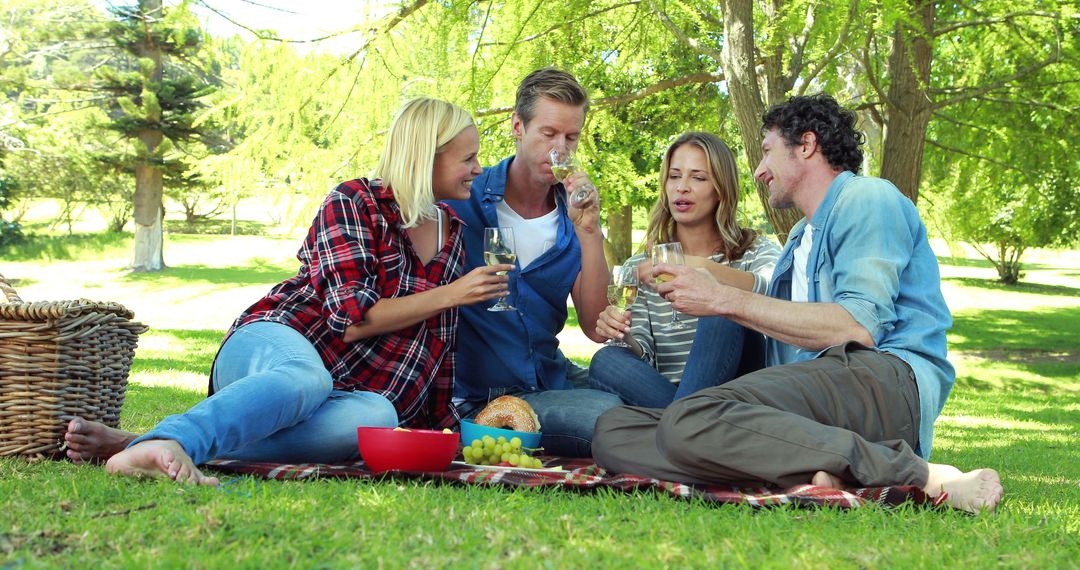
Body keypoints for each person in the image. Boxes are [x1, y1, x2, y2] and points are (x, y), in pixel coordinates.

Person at [63, 98, 513, 485]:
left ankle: (140, 444)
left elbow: (434, 347)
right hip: (277, 345)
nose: (478, 168)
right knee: (306, 378)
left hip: (345, 393)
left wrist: (444, 436)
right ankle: (169, 441)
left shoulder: (453, 234)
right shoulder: (355, 202)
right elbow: (352, 321)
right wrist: (452, 293)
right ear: (424, 157)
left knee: (377, 419)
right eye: (467, 158)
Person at [592, 94, 1003, 513]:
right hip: (809, 396)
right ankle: (821, 470)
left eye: (767, 150)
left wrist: (723, 298)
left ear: (805, 145)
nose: (758, 169)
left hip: (879, 381)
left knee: (689, 419)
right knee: (614, 431)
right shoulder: (798, 242)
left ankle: (922, 475)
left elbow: (855, 326)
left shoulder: (867, 198)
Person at [443, 68, 622, 457]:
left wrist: (590, 230)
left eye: (571, 137)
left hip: (550, 377)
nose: (561, 149)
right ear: (518, 126)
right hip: (482, 392)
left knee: (627, 376)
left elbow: (594, 327)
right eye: (549, 134)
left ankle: (700, 423)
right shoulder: (463, 200)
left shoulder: (572, 215)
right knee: (610, 416)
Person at [588, 132, 780, 408]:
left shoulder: (755, 251)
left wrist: (694, 266)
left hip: (739, 392)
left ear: (721, 189)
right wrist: (622, 334)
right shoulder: (637, 269)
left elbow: (776, 290)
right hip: (665, 393)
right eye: (674, 176)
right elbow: (644, 357)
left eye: (698, 178)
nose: (682, 187)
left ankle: (680, 427)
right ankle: (690, 426)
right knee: (606, 359)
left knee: (721, 305)